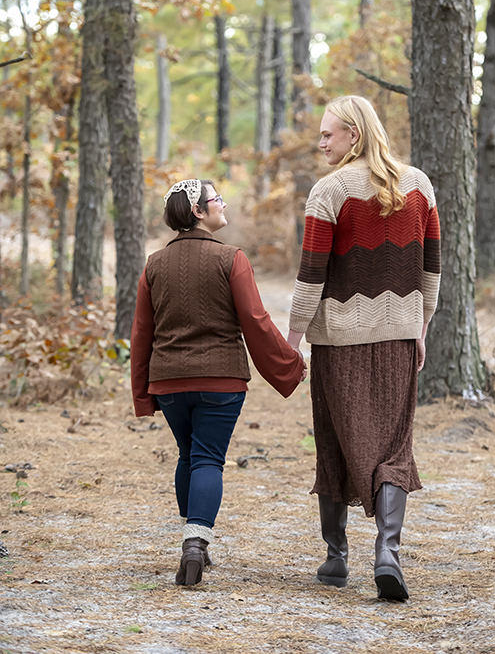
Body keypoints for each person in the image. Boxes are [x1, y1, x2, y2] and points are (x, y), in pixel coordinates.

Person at [287, 95, 441, 600]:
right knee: (395, 445)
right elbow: (430, 271)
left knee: (334, 439)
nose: (321, 141)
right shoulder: (418, 185)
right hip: (399, 337)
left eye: (328, 133)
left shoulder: (328, 192)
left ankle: (335, 559)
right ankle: (388, 551)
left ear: (354, 134)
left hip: (340, 342)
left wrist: (292, 337)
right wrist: (420, 326)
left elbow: (311, 275)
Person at [131, 178, 306, 586]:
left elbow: (142, 333)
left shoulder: (154, 264)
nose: (222, 203)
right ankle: (196, 543)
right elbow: (257, 322)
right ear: (197, 211)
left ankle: (193, 538)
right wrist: (290, 364)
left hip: (169, 381)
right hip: (221, 380)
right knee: (208, 458)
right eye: (215, 199)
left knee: (188, 455)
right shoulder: (231, 258)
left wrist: (143, 393)